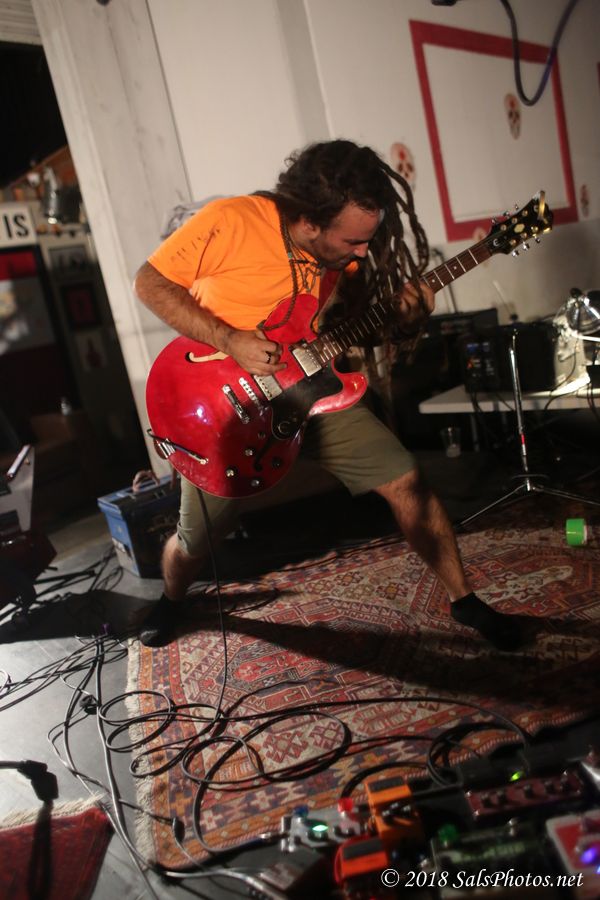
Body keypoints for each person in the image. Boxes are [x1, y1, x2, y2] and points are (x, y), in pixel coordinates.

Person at [134, 139, 522, 651]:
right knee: (198, 539)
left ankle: (464, 600)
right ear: (309, 222)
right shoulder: (233, 221)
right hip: (224, 403)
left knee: (406, 478)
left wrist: (407, 321)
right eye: (353, 241)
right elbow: (149, 283)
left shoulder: (342, 264)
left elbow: (351, 331)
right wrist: (230, 339)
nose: (362, 252)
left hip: (313, 393)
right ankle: (171, 600)